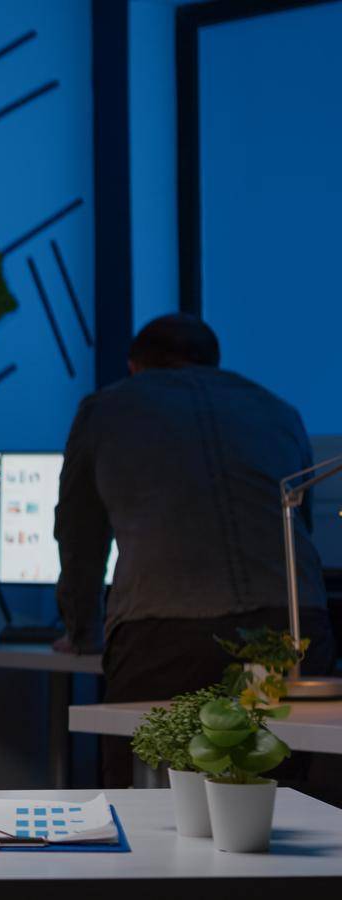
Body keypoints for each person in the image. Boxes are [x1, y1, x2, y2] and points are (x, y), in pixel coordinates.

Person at [52, 314, 335, 787]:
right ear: (214, 363)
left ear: (134, 366)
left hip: (165, 635)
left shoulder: (106, 410)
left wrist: (81, 633)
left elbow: (79, 535)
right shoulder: (278, 410)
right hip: (293, 633)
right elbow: (296, 529)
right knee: (288, 806)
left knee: (150, 802)